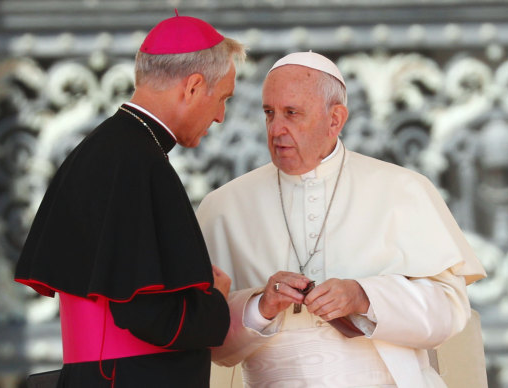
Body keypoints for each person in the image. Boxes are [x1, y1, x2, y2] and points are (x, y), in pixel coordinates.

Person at [196, 51, 486, 387]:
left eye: (292, 113)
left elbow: (450, 312)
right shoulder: (224, 205)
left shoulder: (402, 188)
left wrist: (364, 297)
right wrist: (261, 306)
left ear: (335, 119)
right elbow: (210, 340)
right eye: (269, 113)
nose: (276, 129)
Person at [14, 11, 245, 388]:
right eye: (222, 99)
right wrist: (214, 304)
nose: (220, 116)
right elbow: (150, 315)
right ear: (192, 87)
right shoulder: (140, 163)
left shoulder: (106, 148)